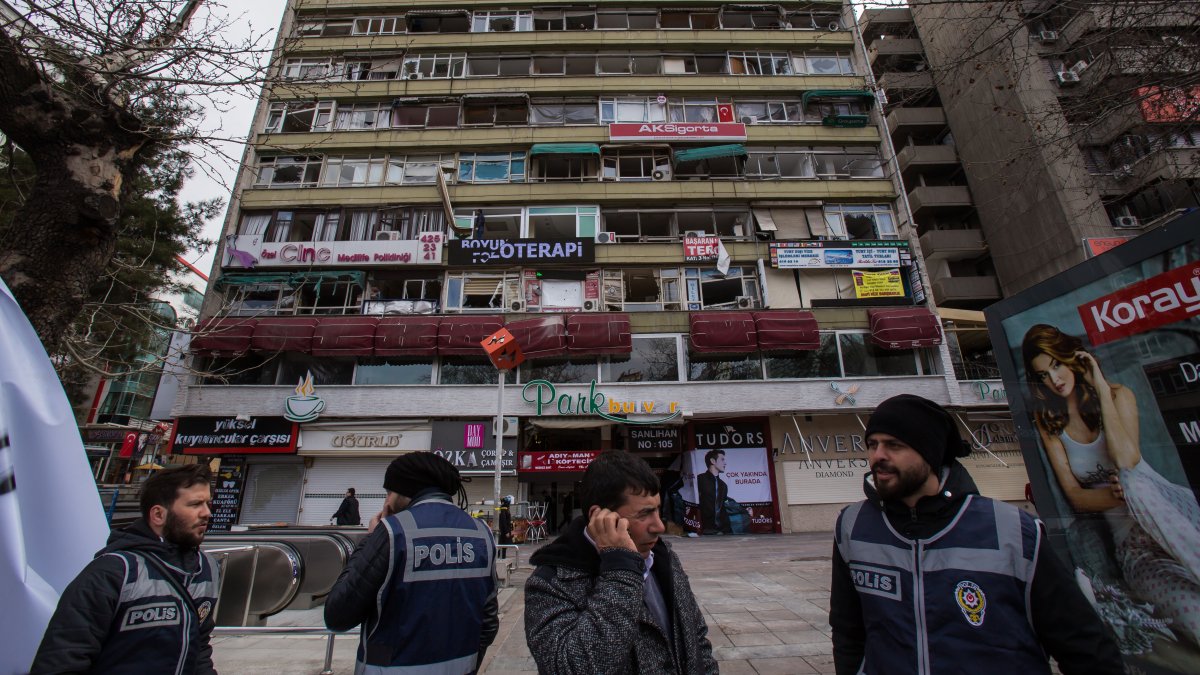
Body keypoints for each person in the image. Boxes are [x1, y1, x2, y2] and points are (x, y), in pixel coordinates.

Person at [829, 394, 1122, 675]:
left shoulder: (1013, 530)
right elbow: (847, 630)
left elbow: (1083, 645)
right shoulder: (853, 527)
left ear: (929, 452)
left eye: (893, 445)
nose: (878, 456)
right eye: (872, 444)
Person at [1022, 324, 1200, 644]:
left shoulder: (1119, 395)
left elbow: (1126, 459)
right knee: (1194, 616)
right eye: (1043, 375)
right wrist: (1116, 496)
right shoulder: (1049, 419)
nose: (1055, 379)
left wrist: (1101, 390)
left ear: (1073, 358)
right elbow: (1076, 497)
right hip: (1135, 549)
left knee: (1134, 482)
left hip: (1173, 514)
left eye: (1057, 365)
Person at [524, 450, 718, 674]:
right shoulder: (551, 583)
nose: (659, 527)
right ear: (602, 516)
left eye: (657, 510)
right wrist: (620, 569)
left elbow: (696, 639)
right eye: (644, 514)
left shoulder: (663, 557)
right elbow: (573, 667)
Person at [31, 464, 219, 674]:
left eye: (207, 503)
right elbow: (62, 658)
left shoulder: (206, 569)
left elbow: (200, 649)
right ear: (158, 514)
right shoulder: (113, 571)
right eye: (195, 504)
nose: (207, 513)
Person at [325, 452, 498, 674]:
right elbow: (488, 623)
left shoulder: (393, 531)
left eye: (388, 492)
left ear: (404, 489)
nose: (386, 501)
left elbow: (338, 615)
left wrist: (370, 539)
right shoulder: (482, 533)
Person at [696, 449, 731, 534]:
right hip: (704, 530)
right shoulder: (699, 479)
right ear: (712, 461)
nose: (725, 463)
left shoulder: (723, 485)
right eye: (722, 459)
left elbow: (724, 507)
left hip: (722, 531)